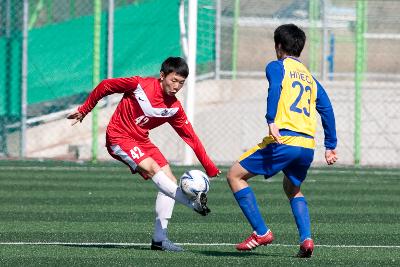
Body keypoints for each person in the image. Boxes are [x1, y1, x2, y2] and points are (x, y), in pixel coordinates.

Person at [67, 56, 220, 252]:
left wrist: (209, 166)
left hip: (142, 141)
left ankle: (160, 240)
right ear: (162, 75)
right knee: (153, 168)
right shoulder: (139, 85)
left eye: (181, 83)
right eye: (173, 80)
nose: (176, 86)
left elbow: (191, 137)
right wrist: (84, 109)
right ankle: (193, 205)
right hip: (118, 137)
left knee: (169, 179)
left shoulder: (173, 108)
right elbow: (106, 85)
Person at [226, 24, 338, 258]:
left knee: (234, 175)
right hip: (307, 145)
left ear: (278, 46)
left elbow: (275, 88)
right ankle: (306, 240)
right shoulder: (310, 78)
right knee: (292, 187)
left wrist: (271, 120)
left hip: (284, 139)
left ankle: (261, 232)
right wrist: (330, 145)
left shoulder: (277, 66)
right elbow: (326, 108)